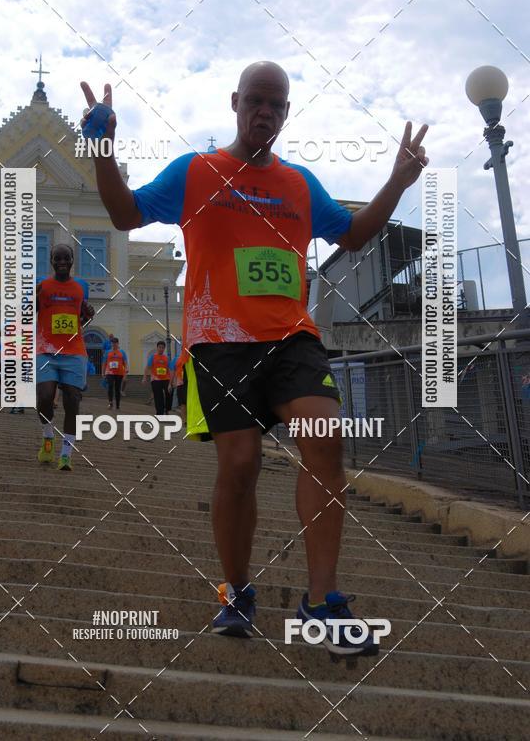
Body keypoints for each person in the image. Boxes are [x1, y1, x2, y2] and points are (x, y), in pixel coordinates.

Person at [80, 62, 428, 656]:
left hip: (292, 336)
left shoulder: (299, 184)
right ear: (235, 103)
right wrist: (103, 145)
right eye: (256, 102)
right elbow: (123, 213)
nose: (265, 112)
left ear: (286, 113)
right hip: (220, 342)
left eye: (277, 104)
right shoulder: (197, 172)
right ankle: (238, 590)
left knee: (325, 439)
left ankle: (322, 603)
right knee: (238, 466)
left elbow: (352, 234)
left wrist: (397, 179)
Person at [36, 244, 94, 471]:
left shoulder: (80, 288)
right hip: (46, 349)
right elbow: (27, 312)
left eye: (66, 258)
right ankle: (48, 435)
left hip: (74, 351)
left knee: (72, 400)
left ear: (72, 261)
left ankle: (66, 453)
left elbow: (82, 319)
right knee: (45, 396)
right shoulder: (43, 286)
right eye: (57, 258)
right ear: (51, 260)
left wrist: (88, 314)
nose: (62, 261)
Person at [142, 341, 170, 416]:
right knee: (158, 397)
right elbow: (147, 367)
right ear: (157, 348)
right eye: (159, 347)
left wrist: (171, 380)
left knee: (168, 394)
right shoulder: (153, 357)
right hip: (155, 380)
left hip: (166, 379)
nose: (161, 349)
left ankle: (166, 409)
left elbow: (169, 369)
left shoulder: (166, 358)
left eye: (162, 348)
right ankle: (159, 413)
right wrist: (144, 377)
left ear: (164, 348)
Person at [103, 337, 127, 410]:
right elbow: (104, 363)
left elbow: (125, 364)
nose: (114, 344)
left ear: (118, 343)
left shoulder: (122, 352)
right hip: (109, 372)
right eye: (112, 343)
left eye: (115, 343)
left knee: (117, 389)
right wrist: (103, 373)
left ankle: (117, 405)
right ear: (111, 344)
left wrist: (125, 374)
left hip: (119, 373)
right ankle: (110, 402)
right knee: (110, 386)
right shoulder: (107, 352)